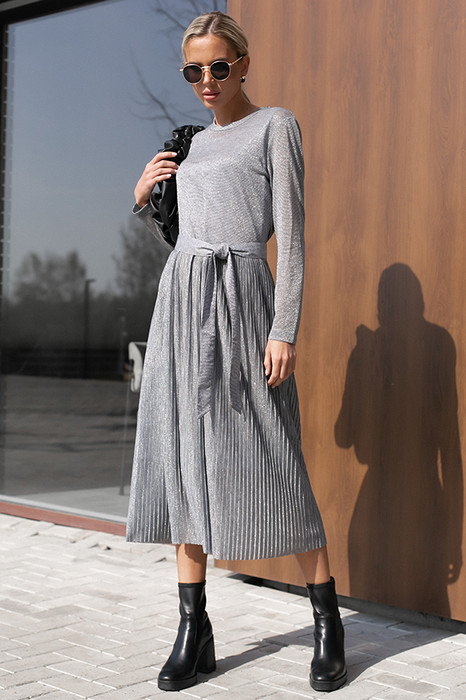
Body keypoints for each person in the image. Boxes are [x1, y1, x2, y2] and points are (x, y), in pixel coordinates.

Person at [126, 10, 347, 694]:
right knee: (181, 456)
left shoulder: (275, 125)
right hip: (181, 305)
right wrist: (145, 198)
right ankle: (194, 628)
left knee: (273, 454)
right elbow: (184, 235)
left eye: (219, 66)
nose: (207, 81)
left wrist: (284, 329)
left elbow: (294, 236)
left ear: (244, 64)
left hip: (244, 300)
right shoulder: (190, 143)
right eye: (193, 70)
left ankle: (327, 622)